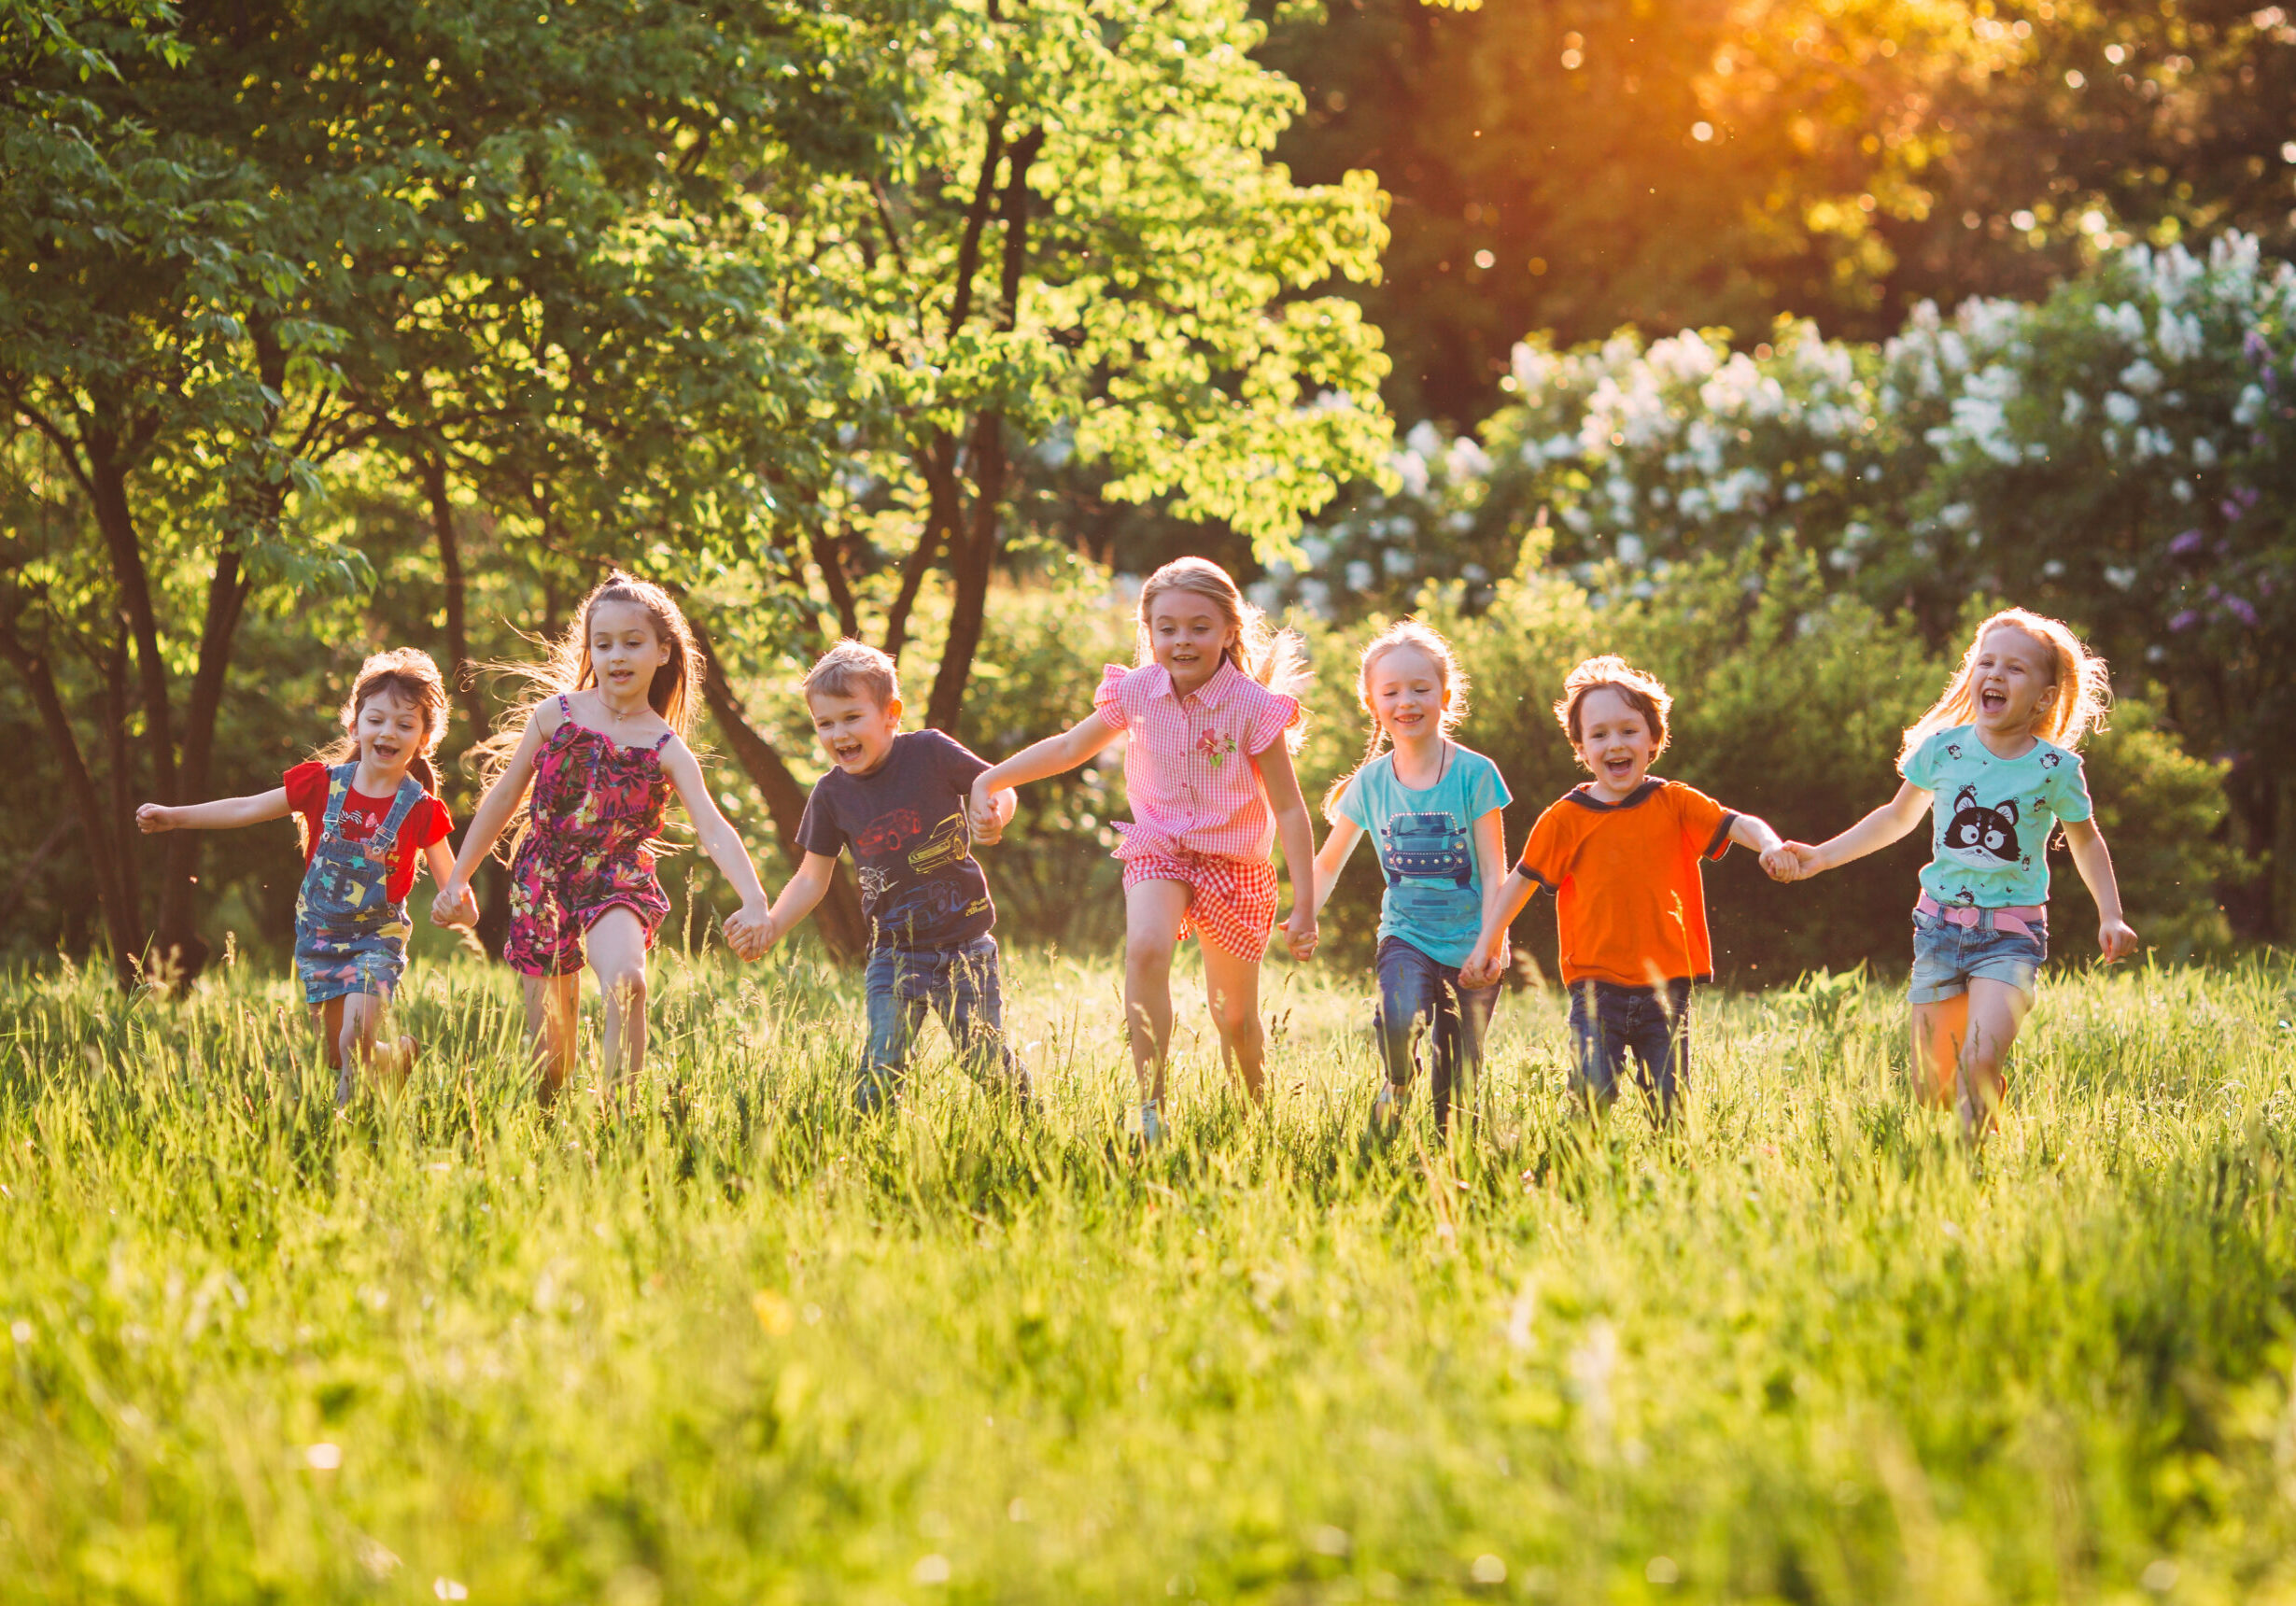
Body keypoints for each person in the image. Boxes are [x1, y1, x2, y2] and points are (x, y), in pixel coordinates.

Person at [969, 557, 1317, 1142]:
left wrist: (1304, 904)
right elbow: (1068, 747)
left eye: (1200, 627)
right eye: (1168, 627)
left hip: (1234, 862)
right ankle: (1152, 1114)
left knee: (1234, 1017)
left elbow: (1289, 809)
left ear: (1230, 631)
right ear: (1148, 630)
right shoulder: (1137, 692)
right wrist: (989, 780)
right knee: (1146, 950)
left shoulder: (1252, 706)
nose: (1183, 641)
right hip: (1160, 848)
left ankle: (1255, 1122)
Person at [1764, 607, 2138, 1137]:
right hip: (1939, 931)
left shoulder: (2055, 769)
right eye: (1986, 662)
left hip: (2011, 936)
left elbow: (2085, 838)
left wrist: (2111, 915)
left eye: (2014, 668)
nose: (1995, 674)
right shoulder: (1942, 751)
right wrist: (1821, 856)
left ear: (2045, 697)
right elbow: (1896, 818)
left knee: (1977, 1064)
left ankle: (1966, 1168)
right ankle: (1980, 1095)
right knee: (1933, 1089)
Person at [431, 571, 769, 1101]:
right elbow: (502, 799)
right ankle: (543, 1128)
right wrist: (458, 879)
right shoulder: (556, 716)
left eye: (632, 643)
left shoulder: (665, 747)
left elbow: (712, 826)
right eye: (603, 643)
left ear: (662, 652)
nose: (616, 656)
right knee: (552, 1062)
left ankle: (621, 1122)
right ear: (588, 648)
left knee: (628, 983)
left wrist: (754, 900)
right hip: (543, 879)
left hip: (615, 877)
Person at [1460, 655, 1785, 1126]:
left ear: (1654, 740)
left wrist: (1770, 845)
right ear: (1582, 748)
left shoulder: (1675, 803)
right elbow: (1520, 883)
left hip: (1667, 986)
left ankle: (1676, 1180)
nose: (1616, 743)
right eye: (1599, 734)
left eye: (1629, 731)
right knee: (1591, 1095)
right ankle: (1581, 1178)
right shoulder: (1564, 819)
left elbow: (1739, 823)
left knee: (1670, 1104)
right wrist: (1486, 945)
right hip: (1595, 988)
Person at [137, 648, 465, 1099]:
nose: (388, 732)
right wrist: (176, 817)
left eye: (405, 725)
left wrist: (457, 909)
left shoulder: (422, 809)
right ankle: (398, 1058)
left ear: (424, 739)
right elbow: (247, 807)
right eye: (377, 720)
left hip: (377, 939)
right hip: (321, 938)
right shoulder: (320, 784)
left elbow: (457, 890)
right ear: (354, 724)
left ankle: (346, 1128)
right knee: (337, 1054)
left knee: (354, 1042)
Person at [751, 641, 1027, 1111]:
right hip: (894, 950)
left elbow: (998, 785)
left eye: (851, 717)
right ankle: (866, 1145)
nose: (839, 734)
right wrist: (774, 924)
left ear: (890, 714)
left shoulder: (930, 753)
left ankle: (1025, 1118)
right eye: (825, 723)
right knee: (883, 1059)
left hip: (966, 942)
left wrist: (994, 812)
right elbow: (811, 879)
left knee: (981, 1056)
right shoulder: (830, 795)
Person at [1310, 621, 1510, 1134]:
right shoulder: (1370, 782)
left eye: (1420, 689)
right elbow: (1329, 862)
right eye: (1391, 691)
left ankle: (1450, 1170)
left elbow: (1493, 868)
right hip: (1406, 935)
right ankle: (1398, 1080)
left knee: (1457, 1093)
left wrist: (1493, 941)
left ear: (1444, 695)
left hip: (1473, 941)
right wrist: (1303, 913)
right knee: (1398, 1019)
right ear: (1372, 703)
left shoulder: (1476, 774)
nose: (1407, 701)